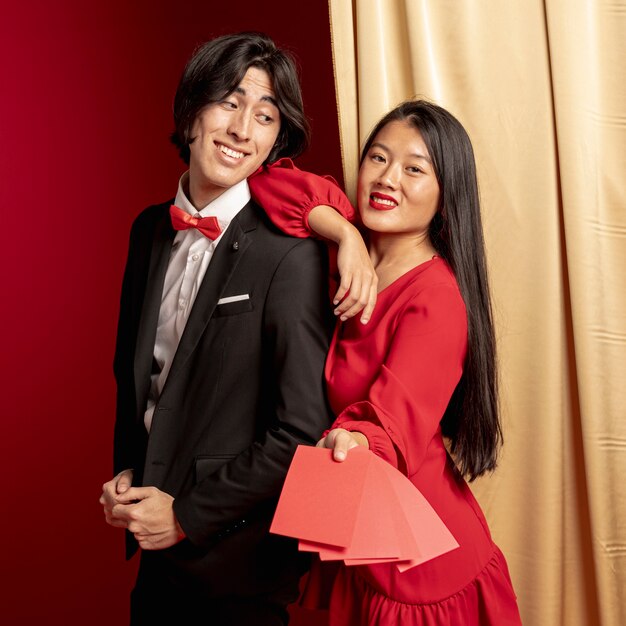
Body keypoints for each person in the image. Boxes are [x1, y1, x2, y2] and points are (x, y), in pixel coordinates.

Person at [98, 32, 354, 626]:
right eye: (230, 102)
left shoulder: (291, 254)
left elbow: (299, 430)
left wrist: (186, 513)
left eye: (265, 116)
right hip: (157, 565)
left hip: (239, 570)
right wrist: (129, 476)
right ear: (192, 110)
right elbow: (142, 380)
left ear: (275, 141)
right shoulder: (148, 231)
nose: (243, 129)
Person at [249, 99, 523, 624]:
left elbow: (391, 423)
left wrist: (353, 439)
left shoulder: (436, 298)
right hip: (360, 539)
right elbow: (267, 182)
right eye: (377, 158)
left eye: (414, 169)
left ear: (446, 197)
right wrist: (345, 234)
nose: (387, 178)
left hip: (417, 564)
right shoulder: (349, 251)